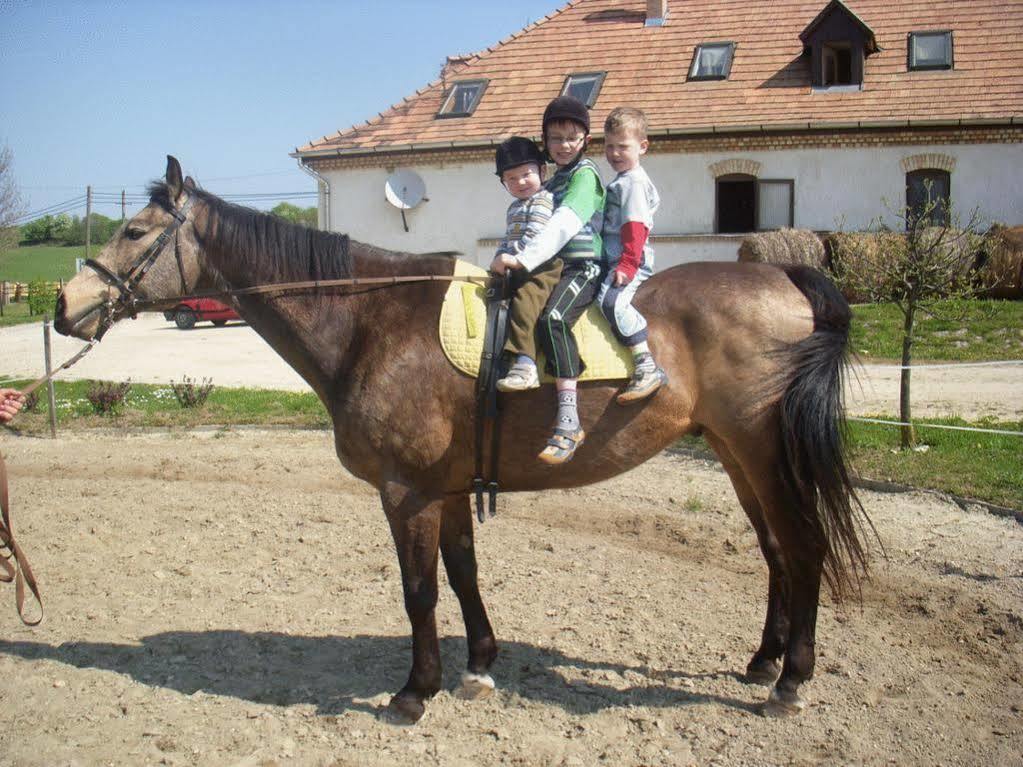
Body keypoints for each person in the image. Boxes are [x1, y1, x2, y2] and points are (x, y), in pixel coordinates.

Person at [490, 95, 606, 465]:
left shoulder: (585, 176)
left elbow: (562, 226)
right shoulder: (552, 181)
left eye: (572, 137)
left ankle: (570, 420)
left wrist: (521, 260)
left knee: (553, 319)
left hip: (582, 265)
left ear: (585, 138)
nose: (563, 145)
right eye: (555, 139)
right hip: (551, 265)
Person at [597, 106, 668, 403]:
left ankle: (645, 363)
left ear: (643, 146)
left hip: (628, 261)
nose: (615, 153)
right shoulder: (621, 181)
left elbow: (635, 227)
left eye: (622, 146)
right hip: (612, 257)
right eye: (609, 146)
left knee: (611, 303)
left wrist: (627, 263)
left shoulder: (633, 183)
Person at [489, 136, 557, 392]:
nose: (520, 182)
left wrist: (512, 259)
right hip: (517, 264)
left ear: (542, 170)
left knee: (526, 301)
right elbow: (508, 239)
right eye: (511, 179)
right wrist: (497, 259)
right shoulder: (513, 207)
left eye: (526, 174)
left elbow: (535, 237)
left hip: (542, 267)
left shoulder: (543, 200)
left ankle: (526, 363)